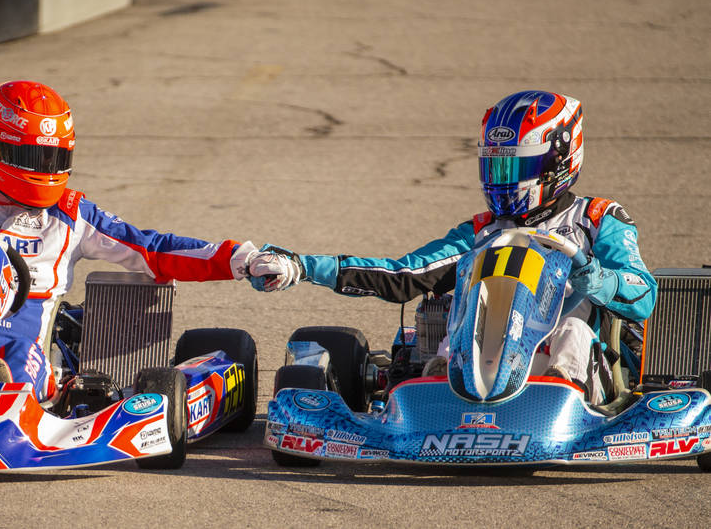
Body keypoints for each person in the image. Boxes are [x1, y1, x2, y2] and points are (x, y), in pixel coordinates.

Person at [0, 80, 289, 400]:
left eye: (54, 158)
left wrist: (240, 258)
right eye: (34, 157)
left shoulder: (69, 215)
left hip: (24, 336)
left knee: (14, 364)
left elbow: (151, 249)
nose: (45, 168)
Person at [246, 90, 657, 402]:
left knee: (571, 329)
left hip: (578, 362)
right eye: (497, 165)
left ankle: (556, 402)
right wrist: (301, 266)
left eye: (517, 166)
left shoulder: (599, 219)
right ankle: (445, 391)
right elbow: (403, 275)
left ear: (557, 161)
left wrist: (593, 275)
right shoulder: (480, 232)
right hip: (491, 349)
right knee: (457, 329)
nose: (504, 178)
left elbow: (643, 297)